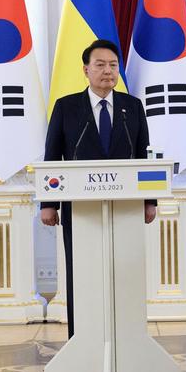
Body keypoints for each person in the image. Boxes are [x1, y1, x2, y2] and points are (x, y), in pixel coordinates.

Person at [41, 39, 156, 338]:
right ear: (86, 70)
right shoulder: (66, 107)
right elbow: (52, 156)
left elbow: (143, 156)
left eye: (113, 65)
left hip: (125, 208)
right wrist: (48, 204)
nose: (108, 71)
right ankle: (81, 338)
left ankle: (126, 337)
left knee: (123, 274)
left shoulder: (133, 107)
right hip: (80, 210)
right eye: (100, 65)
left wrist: (149, 200)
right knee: (82, 275)